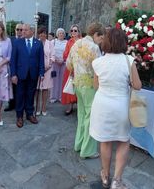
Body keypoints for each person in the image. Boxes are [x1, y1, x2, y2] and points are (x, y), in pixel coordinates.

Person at [90, 28, 142, 189]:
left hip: (102, 105)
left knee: (105, 142)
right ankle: (117, 180)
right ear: (123, 43)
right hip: (121, 105)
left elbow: (96, 85)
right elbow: (138, 85)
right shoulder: (129, 60)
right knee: (123, 141)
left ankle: (105, 176)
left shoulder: (98, 62)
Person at [67, 22, 104, 159]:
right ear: (95, 34)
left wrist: (78, 70)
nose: (101, 41)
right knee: (91, 116)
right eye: (101, 38)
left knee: (82, 115)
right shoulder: (94, 48)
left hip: (78, 83)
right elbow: (99, 69)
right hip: (90, 85)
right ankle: (87, 150)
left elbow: (68, 64)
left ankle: (78, 144)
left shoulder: (76, 43)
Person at [10, 24, 44, 128]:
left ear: (32, 31)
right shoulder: (17, 43)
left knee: (30, 94)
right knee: (20, 95)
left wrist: (41, 73)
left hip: (33, 74)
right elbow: (13, 60)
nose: (23, 31)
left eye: (25, 30)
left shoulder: (38, 43)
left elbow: (41, 59)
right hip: (20, 74)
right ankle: (19, 116)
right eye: (22, 30)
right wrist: (13, 74)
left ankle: (30, 114)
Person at [35, 27, 55, 116]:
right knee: (38, 89)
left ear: (46, 34)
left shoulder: (50, 43)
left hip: (47, 69)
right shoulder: (36, 42)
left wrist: (48, 66)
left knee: (45, 89)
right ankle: (37, 107)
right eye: (40, 33)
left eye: (44, 33)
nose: (42, 35)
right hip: (37, 70)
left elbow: (53, 55)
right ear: (38, 34)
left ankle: (43, 107)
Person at [62, 24, 80, 115]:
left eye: (75, 30)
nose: (73, 32)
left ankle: (80, 106)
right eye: (72, 30)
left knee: (79, 87)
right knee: (70, 86)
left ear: (78, 32)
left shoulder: (81, 42)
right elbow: (65, 54)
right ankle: (70, 106)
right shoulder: (69, 42)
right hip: (70, 67)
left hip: (79, 68)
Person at [4, 23, 23, 112]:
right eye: (17, 29)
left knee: (20, 87)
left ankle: (19, 105)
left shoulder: (25, 40)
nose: (19, 31)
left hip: (22, 66)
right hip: (11, 65)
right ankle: (11, 104)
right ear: (15, 30)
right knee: (11, 86)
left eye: (21, 29)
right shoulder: (10, 40)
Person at [50, 28, 67, 103]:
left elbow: (68, 52)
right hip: (55, 63)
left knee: (62, 80)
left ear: (64, 35)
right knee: (54, 80)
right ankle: (53, 97)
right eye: (59, 33)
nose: (61, 34)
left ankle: (60, 97)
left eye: (62, 33)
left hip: (64, 63)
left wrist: (63, 60)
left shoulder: (67, 42)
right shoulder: (53, 42)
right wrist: (56, 59)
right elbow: (51, 52)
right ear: (57, 34)